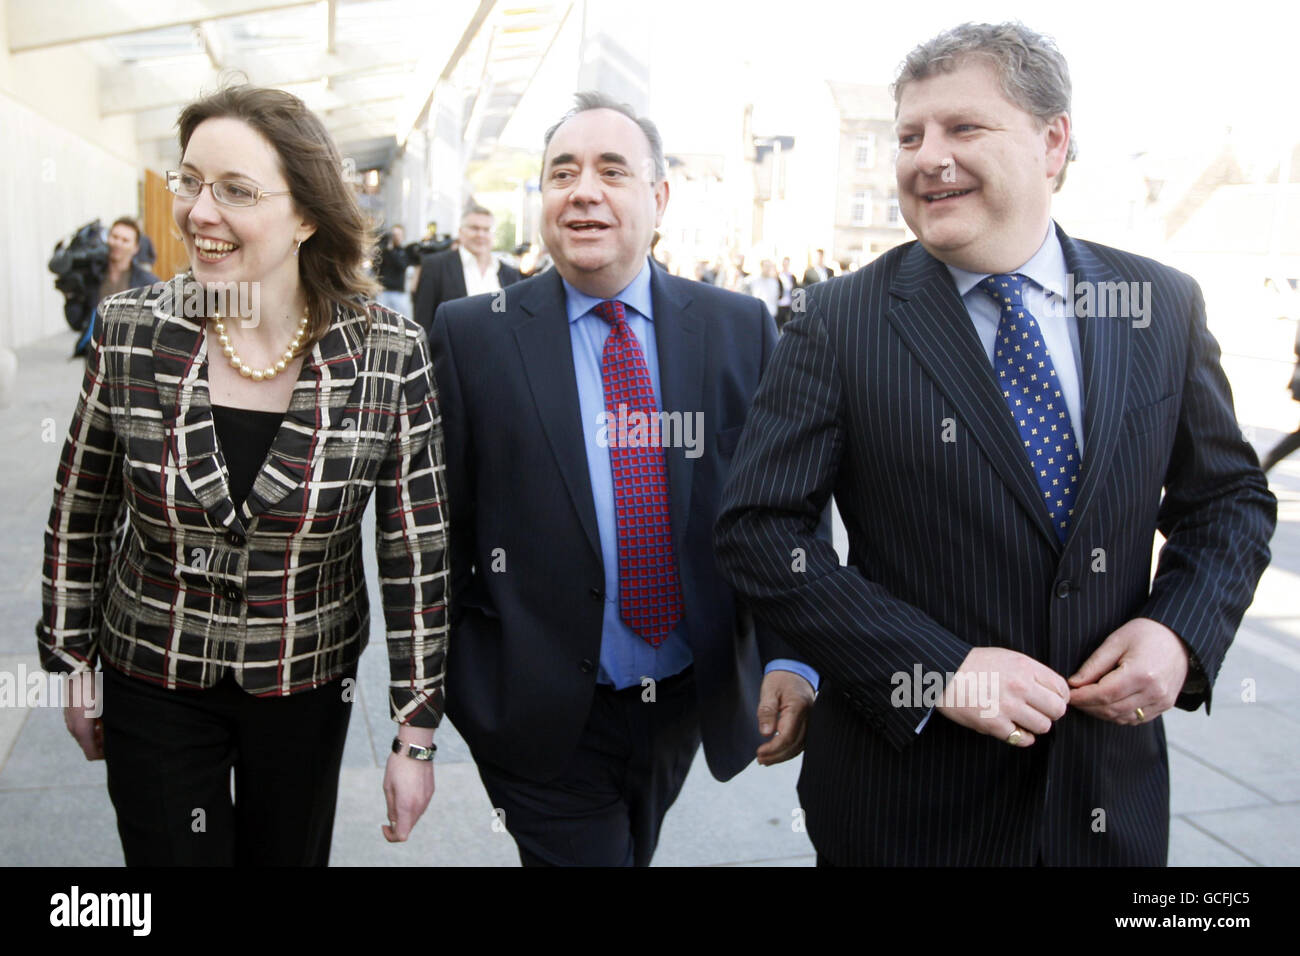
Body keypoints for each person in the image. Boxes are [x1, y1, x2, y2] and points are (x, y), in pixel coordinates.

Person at [714, 21, 1277, 866]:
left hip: (1103, 800)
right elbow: (758, 533)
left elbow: (1228, 501)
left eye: (962, 128)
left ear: (1053, 142)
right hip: (907, 806)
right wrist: (938, 669)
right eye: (910, 135)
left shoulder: (1157, 302)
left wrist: (1179, 634)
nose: (925, 157)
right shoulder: (838, 320)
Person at [37, 84, 450, 866]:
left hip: (306, 681)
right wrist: (72, 660)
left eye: (235, 191)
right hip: (151, 668)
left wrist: (416, 728)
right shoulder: (130, 331)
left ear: (305, 215)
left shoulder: (389, 352)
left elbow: (416, 550)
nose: (198, 211)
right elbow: (80, 507)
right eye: (189, 181)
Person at [428, 91, 817, 867]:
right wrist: (441, 695)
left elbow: (785, 509)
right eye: (562, 172)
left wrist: (791, 656)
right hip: (532, 706)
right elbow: (441, 531)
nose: (584, 191)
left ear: (659, 197)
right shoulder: (474, 336)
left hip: (677, 698)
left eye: (613, 170)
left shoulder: (740, 328)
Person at [412, 201, 522, 336]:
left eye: (486, 229)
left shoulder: (508, 273)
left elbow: (513, 320)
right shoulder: (436, 266)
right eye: (474, 228)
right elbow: (423, 321)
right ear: (460, 232)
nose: (480, 234)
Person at [72, 218, 160, 358]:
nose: (118, 243)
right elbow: (76, 322)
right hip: (95, 355)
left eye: (125, 240)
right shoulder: (92, 277)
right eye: (115, 237)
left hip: (132, 357)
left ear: (136, 247)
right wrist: (71, 297)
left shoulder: (149, 283)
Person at [377, 223, 416, 317]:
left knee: (401, 318)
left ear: (403, 236)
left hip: (398, 292)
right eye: (394, 235)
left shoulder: (404, 251)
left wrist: (391, 251)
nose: (396, 237)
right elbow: (376, 266)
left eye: (398, 235)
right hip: (384, 291)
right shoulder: (384, 251)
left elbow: (402, 266)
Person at [776, 256, 799, 331]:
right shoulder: (777, 276)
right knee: (778, 325)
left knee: (788, 323)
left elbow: (795, 289)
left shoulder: (792, 277)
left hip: (789, 304)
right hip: (780, 304)